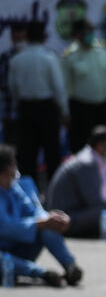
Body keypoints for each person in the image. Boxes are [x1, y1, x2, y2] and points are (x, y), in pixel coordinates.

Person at [0, 145, 81, 286]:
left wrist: (52, 219)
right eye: (14, 165)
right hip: (3, 256)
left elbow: (32, 211)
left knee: (48, 225)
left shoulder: (13, 188)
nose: (16, 169)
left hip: (20, 248)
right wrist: (39, 223)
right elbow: (5, 227)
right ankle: (42, 274)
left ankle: (70, 267)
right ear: (6, 171)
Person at [7, 22, 67, 186]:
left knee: (27, 155)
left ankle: (30, 193)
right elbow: (58, 88)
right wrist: (64, 111)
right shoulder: (49, 58)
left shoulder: (17, 59)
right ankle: (55, 192)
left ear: (27, 37)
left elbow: (13, 89)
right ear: (44, 37)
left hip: (26, 109)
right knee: (52, 154)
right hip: (47, 109)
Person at [62, 20, 106, 153]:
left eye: (90, 32)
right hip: (82, 109)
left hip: (105, 107)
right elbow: (65, 86)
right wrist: (65, 111)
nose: (89, 35)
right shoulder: (70, 55)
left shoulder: (102, 49)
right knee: (82, 145)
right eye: (85, 33)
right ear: (76, 35)